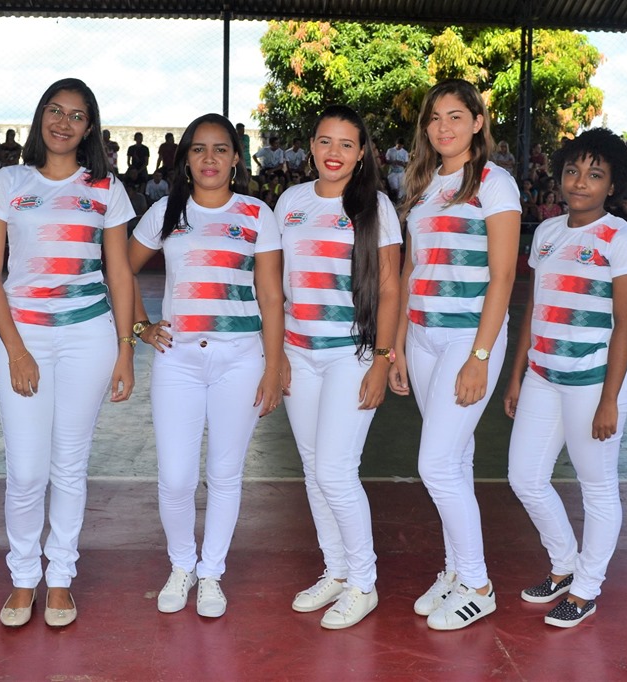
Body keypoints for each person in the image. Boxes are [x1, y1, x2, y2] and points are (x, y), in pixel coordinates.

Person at [0, 77, 135, 629]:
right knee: (24, 471)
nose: (63, 122)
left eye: (76, 115)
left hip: (88, 337)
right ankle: (23, 579)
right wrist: (17, 350)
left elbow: (118, 273)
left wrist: (124, 350)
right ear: (40, 117)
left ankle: (60, 578)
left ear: (89, 127)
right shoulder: (7, 182)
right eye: (54, 110)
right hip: (23, 337)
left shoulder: (106, 188)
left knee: (69, 465)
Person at [127, 113, 285, 620]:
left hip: (240, 359)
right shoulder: (165, 211)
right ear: (185, 158)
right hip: (178, 360)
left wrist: (274, 366)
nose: (210, 158)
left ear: (237, 157)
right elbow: (121, 268)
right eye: (199, 149)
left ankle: (211, 572)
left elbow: (272, 297)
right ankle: (181, 565)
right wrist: (140, 328)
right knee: (175, 478)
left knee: (224, 473)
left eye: (221, 149)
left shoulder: (258, 213)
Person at [388, 78, 522, 631]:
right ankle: (454, 570)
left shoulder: (495, 183)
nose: (443, 127)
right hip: (421, 338)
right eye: (434, 118)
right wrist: (395, 345)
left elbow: (504, 274)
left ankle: (479, 583)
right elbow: (411, 271)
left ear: (476, 122)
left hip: (469, 338)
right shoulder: (419, 186)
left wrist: (481, 354)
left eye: (455, 116)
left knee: (436, 463)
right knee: (456, 460)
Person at [505, 127, 627, 629]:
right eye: (572, 170)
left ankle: (587, 588)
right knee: (524, 476)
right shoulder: (545, 233)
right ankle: (564, 565)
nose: (580, 182)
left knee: (597, 487)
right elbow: (535, 309)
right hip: (544, 377)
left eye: (595, 174)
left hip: (593, 380)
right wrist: (519, 376)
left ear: (613, 184)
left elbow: (626, 325)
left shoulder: (621, 238)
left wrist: (610, 398)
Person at [277, 105, 401, 630]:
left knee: (334, 470)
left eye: (346, 144)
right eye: (325, 141)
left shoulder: (374, 206)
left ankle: (364, 583)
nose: (334, 153)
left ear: (363, 153)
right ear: (311, 146)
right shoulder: (290, 202)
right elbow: (275, 281)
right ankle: (336, 569)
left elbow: (392, 287)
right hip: (297, 354)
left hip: (350, 355)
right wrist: (275, 354)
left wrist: (382, 358)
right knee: (312, 469)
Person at [385, 137, 409, 203]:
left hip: (401, 173)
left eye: (401, 146)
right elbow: (387, 160)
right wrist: (393, 162)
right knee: (394, 188)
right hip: (393, 172)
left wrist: (402, 163)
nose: (399, 147)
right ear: (396, 144)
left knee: (401, 189)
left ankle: (400, 202)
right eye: (398, 145)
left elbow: (407, 163)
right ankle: (394, 201)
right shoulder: (390, 151)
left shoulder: (405, 153)